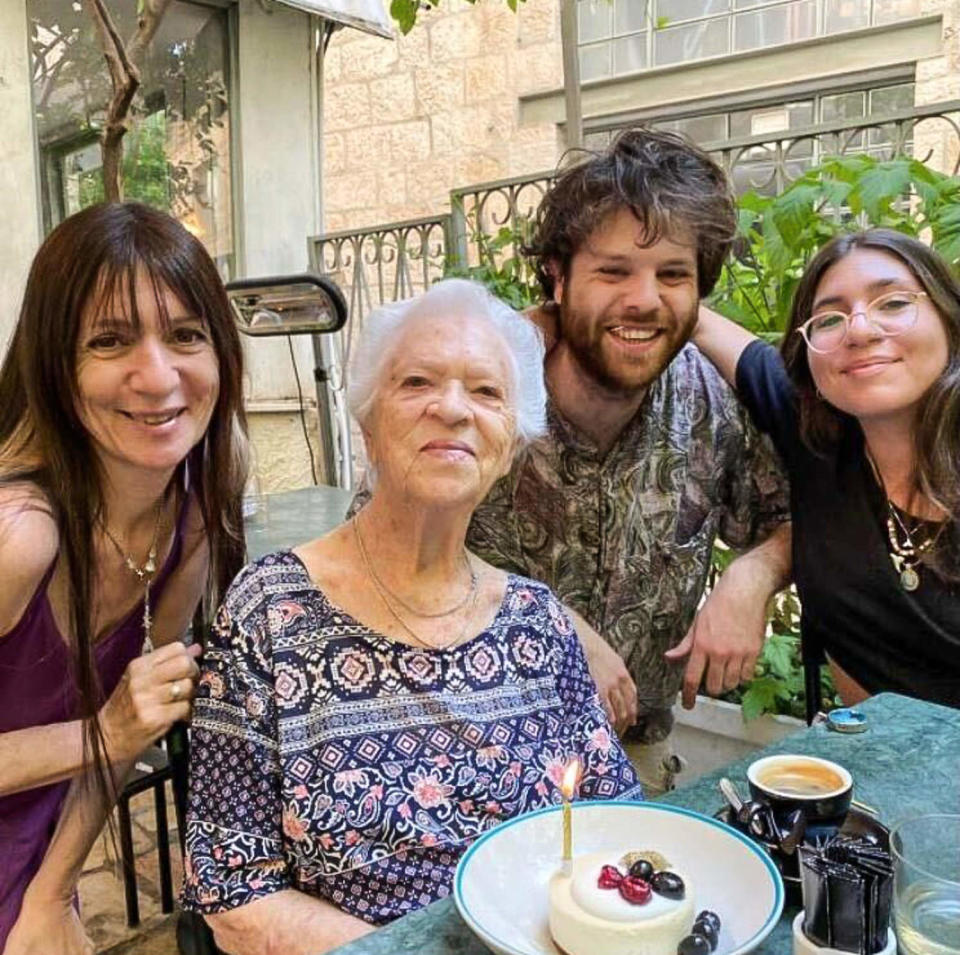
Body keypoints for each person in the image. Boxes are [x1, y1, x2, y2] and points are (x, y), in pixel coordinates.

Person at [181, 279, 643, 955]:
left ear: (510, 446)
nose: (453, 408)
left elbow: (613, 822)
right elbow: (232, 892)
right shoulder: (270, 611)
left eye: (486, 392)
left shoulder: (538, 622)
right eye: (418, 381)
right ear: (368, 427)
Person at [464, 128, 792, 792]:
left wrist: (754, 575)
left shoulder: (716, 403)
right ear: (558, 277)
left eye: (672, 274)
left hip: (634, 754)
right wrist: (548, 622)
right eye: (613, 271)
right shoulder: (480, 394)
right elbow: (381, 543)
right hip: (472, 748)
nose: (643, 298)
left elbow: (814, 513)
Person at [0, 202, 248, 955]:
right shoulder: (19, 535)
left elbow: (130, 729)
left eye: (185, 335)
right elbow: (115, 726)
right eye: (109, 340)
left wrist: (49, 894)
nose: (158, 375)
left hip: (37, 844)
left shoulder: (197, 504)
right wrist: (102, 728)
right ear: (55, 364)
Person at [692, 229, 959, 709]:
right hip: (866, 766)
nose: (859, 330)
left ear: (948, 318)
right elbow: (688, 317)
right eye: (828, 318)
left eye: (893, 303)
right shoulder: (816, 436)